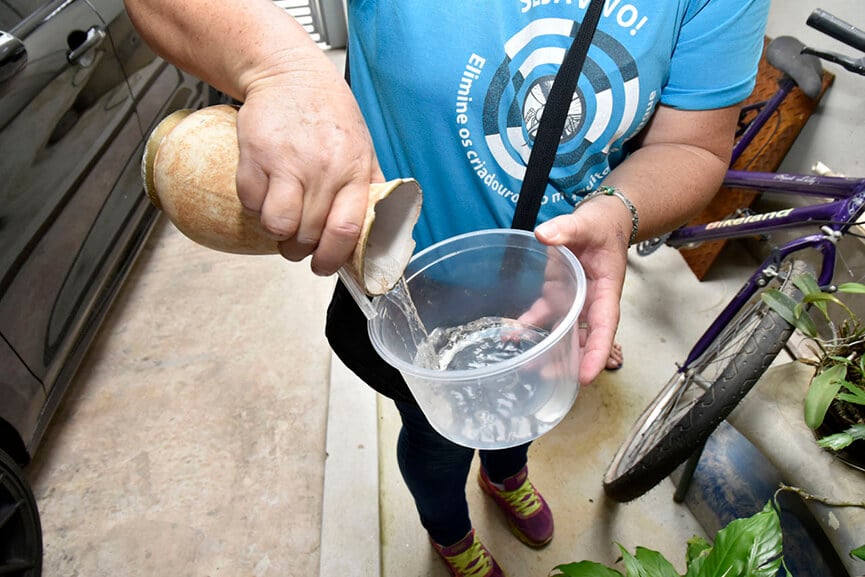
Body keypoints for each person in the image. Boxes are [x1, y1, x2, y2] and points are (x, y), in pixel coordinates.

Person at [124, 1, 771, 574]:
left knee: (518, 408)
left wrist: (616, 209)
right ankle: (449, 532)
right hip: (401, 294)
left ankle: (504, 474)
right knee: (436, 439)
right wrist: (280, 65)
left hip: (539, 290)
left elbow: (694, 146)